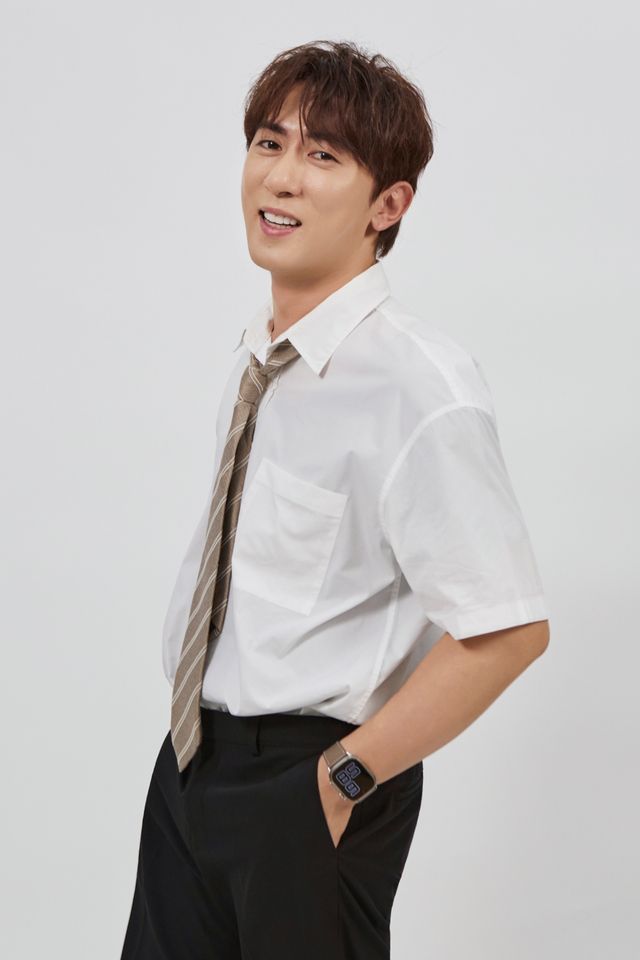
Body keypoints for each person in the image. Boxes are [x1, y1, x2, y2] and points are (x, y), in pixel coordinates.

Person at [120, 39, 550, 960]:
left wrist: (340, 781)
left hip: (311, 784)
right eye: (269, 143)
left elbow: (508, 629)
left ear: (388, 205)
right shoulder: (261, 359)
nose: (281, 177)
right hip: (192, 762)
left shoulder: (417, 386)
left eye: (323, 155)